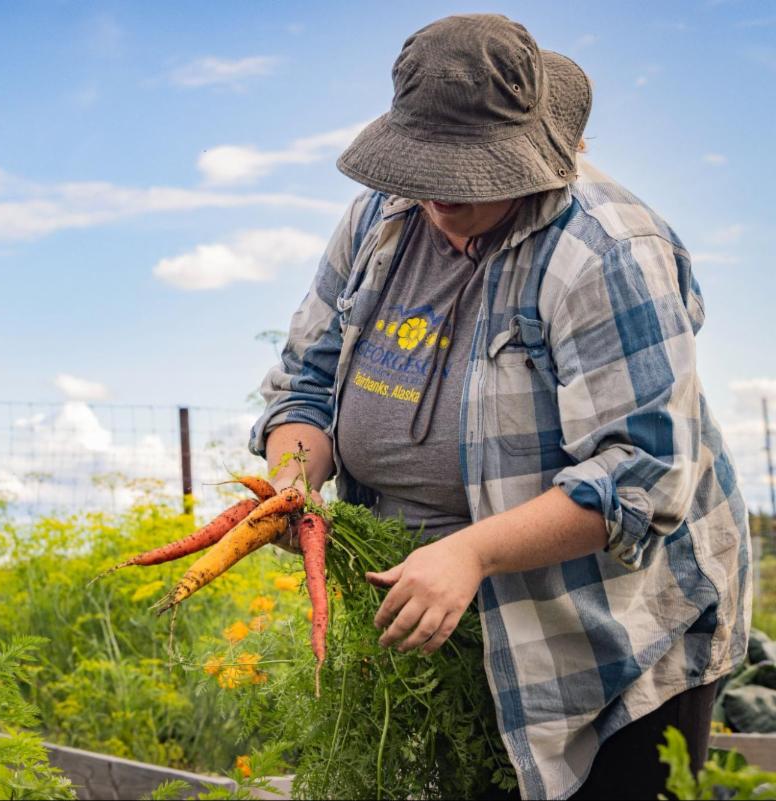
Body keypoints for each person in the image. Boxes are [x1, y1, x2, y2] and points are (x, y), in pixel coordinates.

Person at [249, 13, 750, 801]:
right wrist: (293, 480)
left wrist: (471, 553)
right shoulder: (381, 220)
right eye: (425, 166)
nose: (442, 193)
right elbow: (306, 381)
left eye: (472, 171)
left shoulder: (605, 252)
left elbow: (640, 477)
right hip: (445, 633)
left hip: (608, 641)